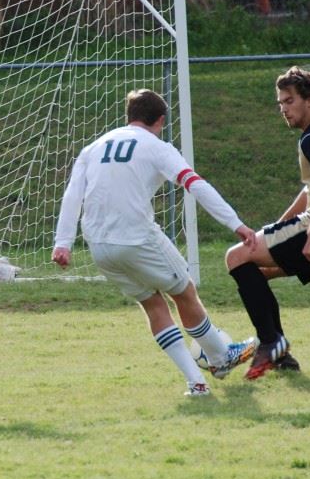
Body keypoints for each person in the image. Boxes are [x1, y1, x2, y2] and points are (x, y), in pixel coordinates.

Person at [52, 89, 258, 398]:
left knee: (152, 304)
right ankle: (220, 357)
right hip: (137, 238)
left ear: (129, 116)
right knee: (184, 291)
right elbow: (196, 185)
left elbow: (73, 194)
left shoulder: (93, 147)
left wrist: (63, 242)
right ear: (160, 120)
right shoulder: (158, 147)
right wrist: (236, 224)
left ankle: (197, 383)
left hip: (98, 246)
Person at [225, 66, 310, 380]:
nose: (283, 109)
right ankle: (281, 355)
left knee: (235, 257)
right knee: (255, 273)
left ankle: (272, 342)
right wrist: (280, 225)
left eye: (289, 101)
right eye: (280, 103)